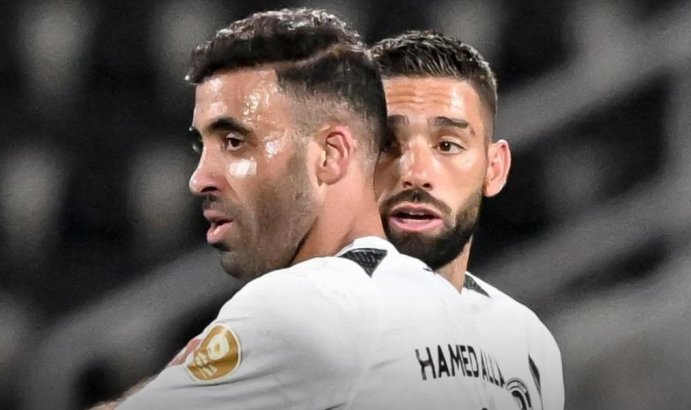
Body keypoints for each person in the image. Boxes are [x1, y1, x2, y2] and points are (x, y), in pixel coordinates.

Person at [113, 9, 527, 410]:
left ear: (331, 155)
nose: (199, 178)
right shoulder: (465, 322)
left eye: (236, 142)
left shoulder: (306, 303)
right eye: (201, 146)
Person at [370, 30, 565, 409]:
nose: (415, 173)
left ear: (495, 169)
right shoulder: (297, 322)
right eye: (388, 144)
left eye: (447, 145)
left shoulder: (527, 344)